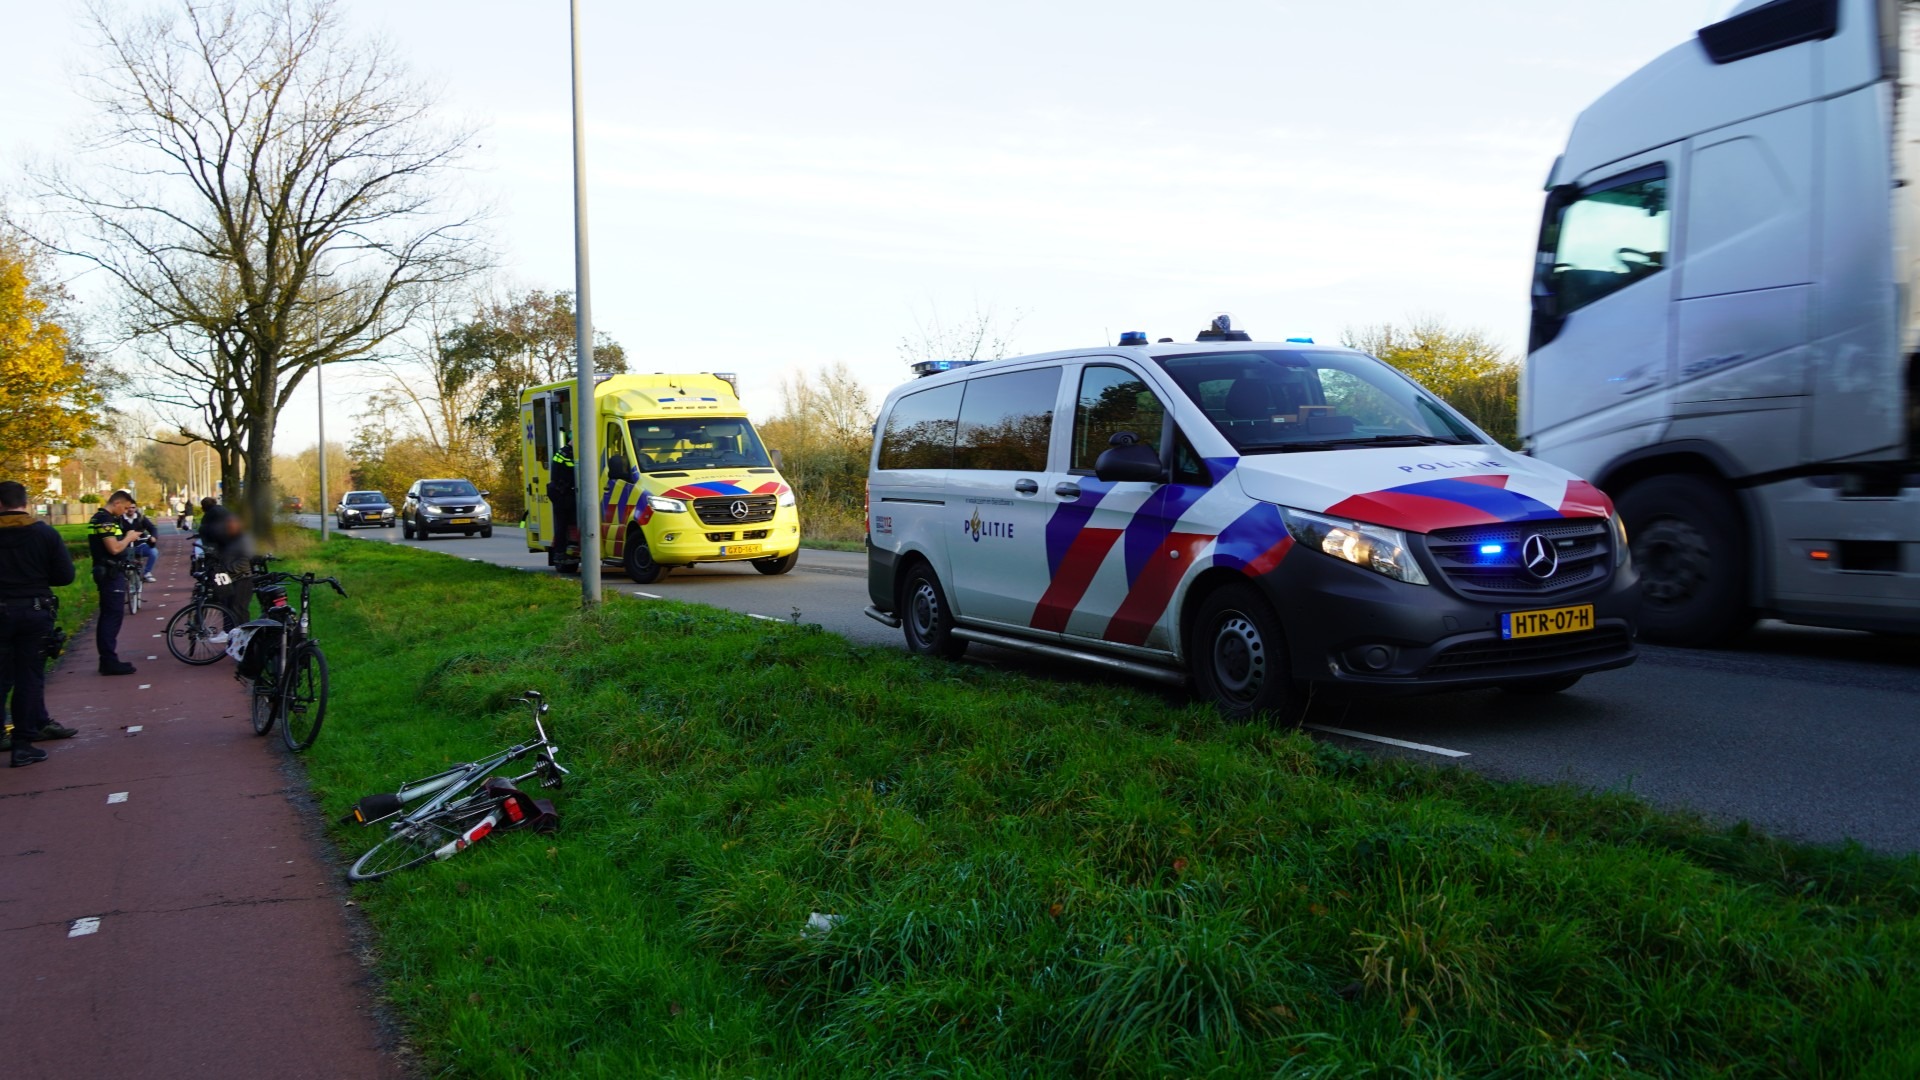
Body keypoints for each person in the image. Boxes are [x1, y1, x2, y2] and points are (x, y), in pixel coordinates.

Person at [0, 480, 77, 767]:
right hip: (34, 611)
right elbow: (65, 576)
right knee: (29, 678)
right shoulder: (44, 533)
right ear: (25, 502)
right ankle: (23, 744)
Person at [89, 490, 144, 676]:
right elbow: (113, 548)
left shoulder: (101, 518)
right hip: (110, 573)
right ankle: (108, 661)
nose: (125, 511)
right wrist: (129, 537)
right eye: (125, 508)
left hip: (108, 571)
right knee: (112, 616)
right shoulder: (105, 520)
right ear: (117, 503)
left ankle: (108, 659)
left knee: (110, 615)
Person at [549, 433, 579, 565]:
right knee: (563, 525)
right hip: (563, 494)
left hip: (563, 492)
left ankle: (567, 550)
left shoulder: (563, 453)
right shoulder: (566, 454)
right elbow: (571, 473)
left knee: (567, 523)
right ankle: (560, 553)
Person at [124, 503, 160, 582]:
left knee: (153, 552)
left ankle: (147, 573)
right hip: (125, 546)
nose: (130, 509)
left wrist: (153, 537)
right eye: (128, 507)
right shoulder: (120, 519)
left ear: (136, 508)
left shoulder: (140, 518)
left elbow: (152, 528)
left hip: (140, 545)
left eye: (133, 507)